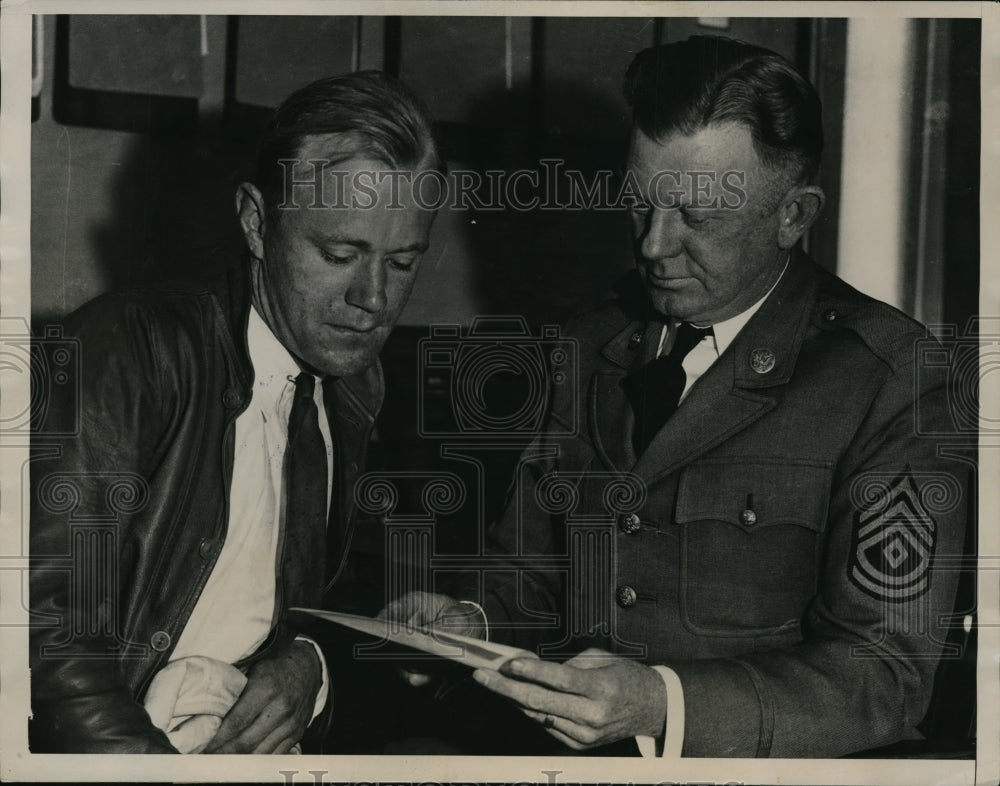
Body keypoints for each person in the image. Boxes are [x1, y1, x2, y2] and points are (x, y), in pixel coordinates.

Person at [384, 36, 969, 758]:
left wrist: (663, 705)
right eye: (640, 206)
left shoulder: (893, 380)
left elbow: (883, 677)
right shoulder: (589, 347)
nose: (655, 246)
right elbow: (532, 576)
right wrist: (471, 620)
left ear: (795, 215)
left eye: (698, 218)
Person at [29, 71, 441, 753]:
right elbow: (45, 639)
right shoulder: (127, 350)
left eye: (402, 263)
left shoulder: (353, 383)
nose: (372, 298)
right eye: (340, 254)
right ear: (256, 221)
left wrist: (309, 660)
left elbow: (338, 593)